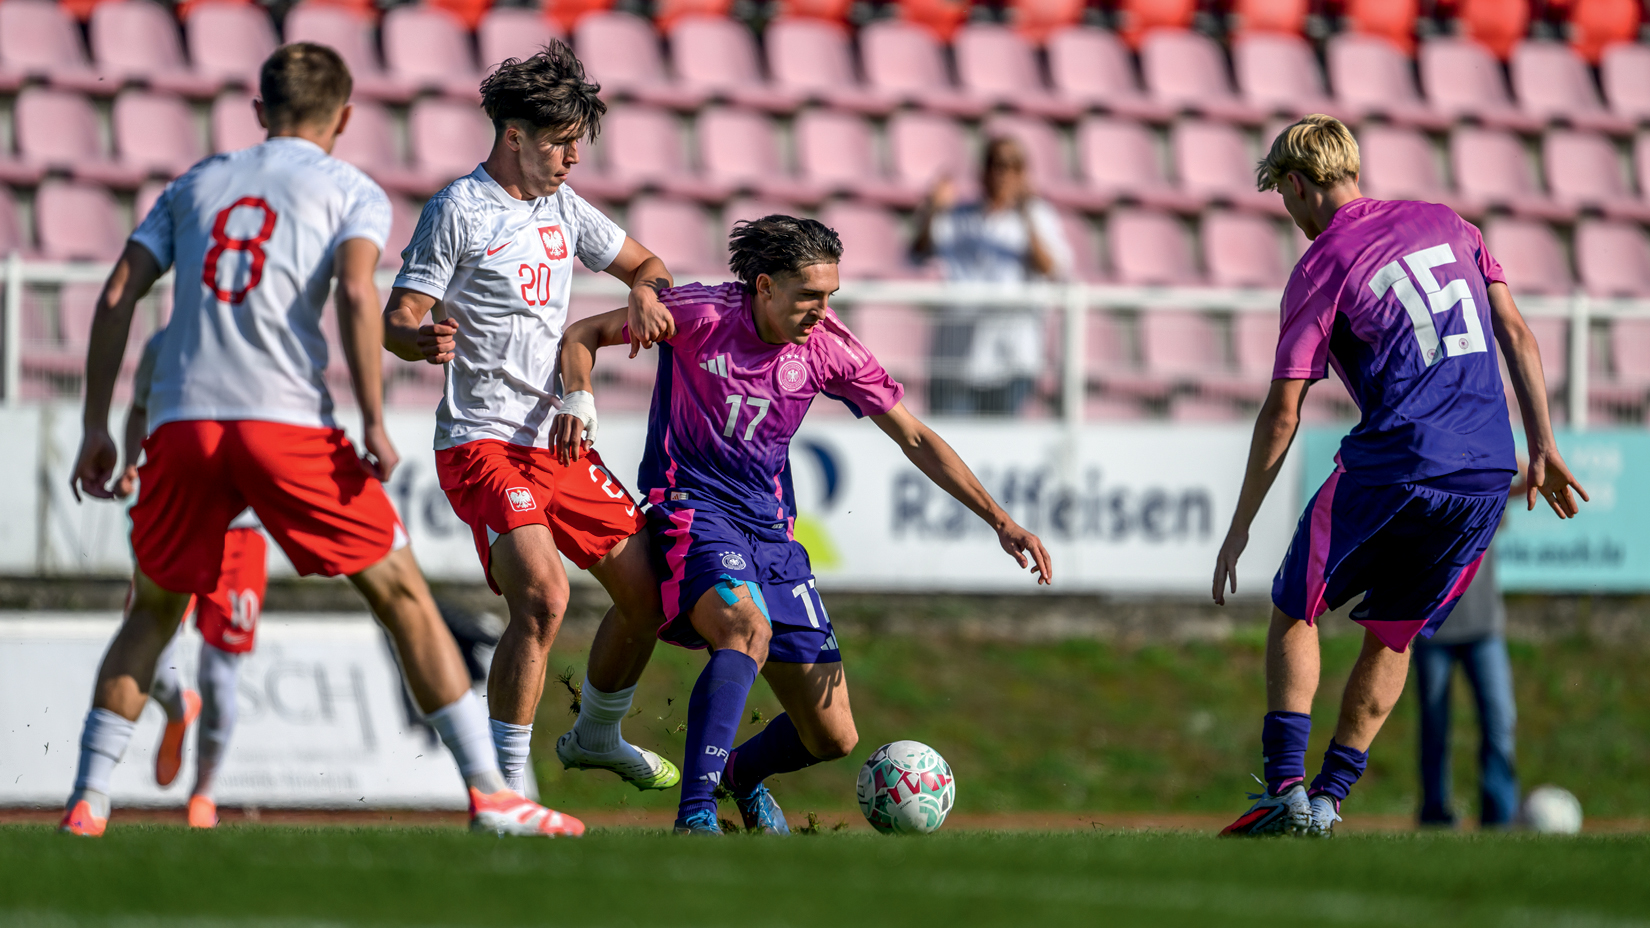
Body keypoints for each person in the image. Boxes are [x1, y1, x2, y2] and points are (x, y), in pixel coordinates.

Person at [62, 42, 579, 838]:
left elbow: (119, 292)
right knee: (403, 598)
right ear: (344, 117)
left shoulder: (194, 184)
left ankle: (87, 803)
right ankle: (492, 794)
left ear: (259, 111)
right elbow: (355, 296)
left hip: (181, 423)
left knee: (154, 612)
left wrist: (98, 425)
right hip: (284, 424)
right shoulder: (351, 189)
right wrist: (372, 418)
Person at [554, 215, 1054, 835]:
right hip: (694, 510)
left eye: (831, 296)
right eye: (810, 296)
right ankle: (696, 816)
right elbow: (581, 334)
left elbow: (917, 437)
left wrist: (1001, 521)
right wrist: (579, 395)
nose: (823, 310)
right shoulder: (703, 316)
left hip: (772, 533)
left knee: (834, 735)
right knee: (744, 629)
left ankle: (738, 775)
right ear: (763, 287)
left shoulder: (827, 347)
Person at [1209, 115, 1586, 837]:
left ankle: (1284, 790)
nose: (1288, 214)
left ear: (1296, 184)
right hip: (1485, 468)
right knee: (1393, 633)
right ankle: (1327, 803)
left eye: (1283, 198)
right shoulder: (1452, 224)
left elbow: (1284, 410)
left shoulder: (1323, 263)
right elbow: (1516, 332)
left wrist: (1242, 522)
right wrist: (1542, 443)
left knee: (1297, 605)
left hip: (1399, 457)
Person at [382, 42, 681, 796]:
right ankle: (506, 786)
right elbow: (398, 316)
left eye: (580, 141)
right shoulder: (458, 209)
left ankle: (597, 733)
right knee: (543, 598)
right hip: (482, 444)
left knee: (652, 596)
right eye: (560, 142)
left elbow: (651, 266)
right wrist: (417, 340)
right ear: (513, 134)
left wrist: (646, 291)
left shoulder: (562, 206)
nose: (574, 157)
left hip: (558, 443)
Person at [112, 327, 269, 829]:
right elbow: (138, 408)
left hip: (240, 536)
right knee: (152, 662)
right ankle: (180, 709)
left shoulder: (258, 340)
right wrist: (130, 460)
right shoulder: (163, 345)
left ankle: (204, 794)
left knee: (221, 675)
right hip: (172, 518)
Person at [910, 136, 1072, 416]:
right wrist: (933, 210)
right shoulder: (958, 216)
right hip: (956, 357)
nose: (1004, 174)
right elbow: (917, 255)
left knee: (1000, 448)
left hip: (1011, 357)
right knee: (948, 451)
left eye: (1013, 167)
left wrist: (1026, 216)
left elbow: (1054, 269)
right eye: (998, 165)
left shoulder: (1039, 218)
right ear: (983, 171)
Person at [1413, 535, 1520, 828]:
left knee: (1499, 719)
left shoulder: (1487, 489)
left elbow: (1513, 490)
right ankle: (1435, 813)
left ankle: (1500, 817)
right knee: (1434, 726)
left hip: (1485, 627)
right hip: (1430, 625)